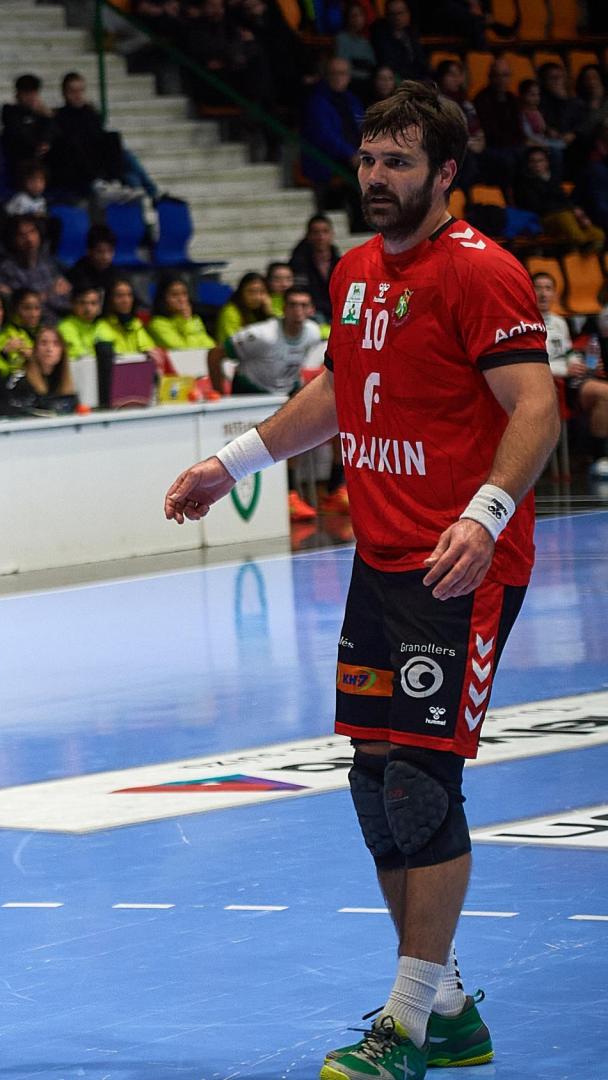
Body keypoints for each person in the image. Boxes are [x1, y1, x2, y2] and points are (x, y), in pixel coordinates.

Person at [165, 83, 557, 1080]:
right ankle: (451, 1007)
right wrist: (235, 461)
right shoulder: (352, 271)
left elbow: (537, 408)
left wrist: (486, 513)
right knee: (375, 783)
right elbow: (342, 389)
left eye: (399, 163)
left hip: (460, 567)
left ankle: (409, 1026)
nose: (377, 178)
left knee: (425, 783)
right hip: (379, 561)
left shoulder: (484, 274)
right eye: (370, 160)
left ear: (445, 174)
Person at [211, 285, 324, 395]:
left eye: (304, 305)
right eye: (292, 305)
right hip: (250, 394)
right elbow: (215, 354)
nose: (298, 310)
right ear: (284, 308)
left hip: (284, 395)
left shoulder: (313, 332)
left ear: (311, 309)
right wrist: (220, 394)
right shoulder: (262, 335)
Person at [304, 55, 365, 190]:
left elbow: (364, 128)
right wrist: (350, 154)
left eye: (342, 73)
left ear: (349, 76)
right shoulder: (317, 101)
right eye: (334, 73)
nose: (338, 77)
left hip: (356, 155)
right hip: (331, 159)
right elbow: (325, 136)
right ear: (327, 76)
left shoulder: (353, 100)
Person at [0, 216, 72, 314]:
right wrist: (51, 293)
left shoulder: (48, 262)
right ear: (12, 240)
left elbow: (65, 295)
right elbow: (26, 305)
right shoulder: (8, 269)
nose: (29, 239)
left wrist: (47, 296)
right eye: (21, 235)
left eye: (32, 232)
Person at [290, 214, 341, 319]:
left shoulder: (341, 263)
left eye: (325, 231)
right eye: (316, 232)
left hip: (338, 310)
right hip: (312, 313)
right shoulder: (298, 263)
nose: (321, 237)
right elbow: (299, 291)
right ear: (308, 235)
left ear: (332, 234)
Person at [148, 276, 216, 350]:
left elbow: (210, 345)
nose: (181, 299)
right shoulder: (158, 324)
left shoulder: (194, 319)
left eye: (184, 294)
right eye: (174, 295)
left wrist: (188, 320)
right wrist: (188, 322)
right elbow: (185, 351)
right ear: (163, 298)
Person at [96, 277, 158, 355]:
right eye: (119, 296)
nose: (126, 300)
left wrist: (149, 351)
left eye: (129, 295)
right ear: (109, 299)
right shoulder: (102, 326)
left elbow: (149, 348)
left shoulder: (135, 324)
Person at [215, 271, 273, 342]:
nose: (257, 297)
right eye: (251, 292)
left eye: (261, 292)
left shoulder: (260, 310)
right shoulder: (230, 312)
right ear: (241, 293)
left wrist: (269, 314)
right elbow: (234, 344)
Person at [66, 225, 117, 297]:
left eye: (110, 251)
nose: (106, 257)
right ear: (89, 251)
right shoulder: (76, 274)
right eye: (100, 251)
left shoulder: (115, 273)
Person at [58, 284, 105, 359]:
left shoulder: (103, 325)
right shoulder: (65, 327)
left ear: (99, 307)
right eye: (82, 303)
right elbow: (78, 355)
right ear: (73, 304)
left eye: (93, 303)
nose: (88, 308)